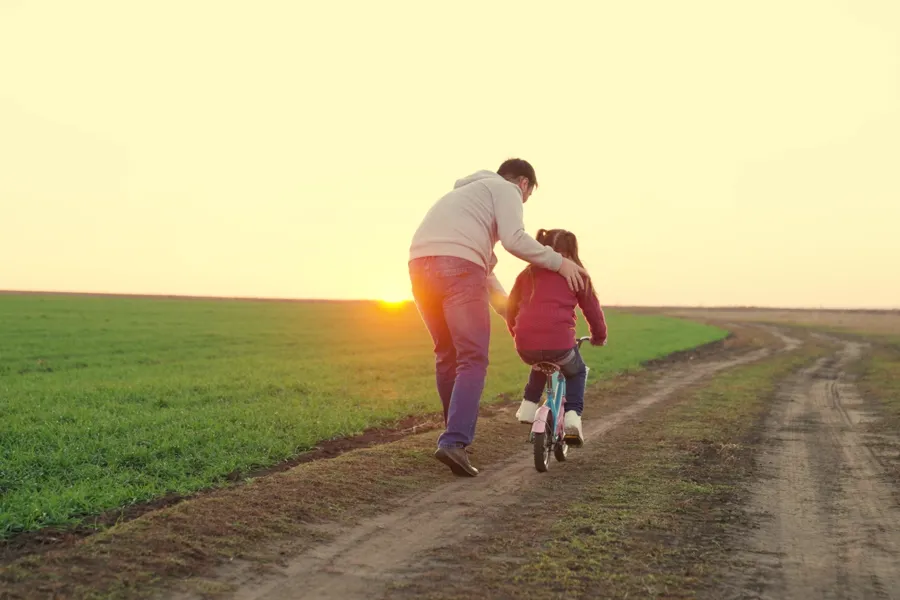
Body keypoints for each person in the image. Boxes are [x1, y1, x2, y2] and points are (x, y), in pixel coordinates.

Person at [408, 159, 589, 477]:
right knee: (472, 358)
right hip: (459, 267)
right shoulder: (505, 189)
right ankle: (454, 441)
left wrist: (506, 308)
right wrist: (560, 262)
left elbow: (485, 268)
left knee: (447, 355)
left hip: (419, 264)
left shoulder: (466, 198)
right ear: (524, 183)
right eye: (528, 195)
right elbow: (514, 239)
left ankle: (453, 439)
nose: (523, 201)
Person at [505, 228, 608, 446]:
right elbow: (592, 311)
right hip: (560, 344)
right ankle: (572, 417)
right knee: (577, 372)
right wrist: (598, 337)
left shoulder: (527, 274)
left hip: (526, 344)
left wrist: (517, 334)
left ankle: (528, 407)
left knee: (540, 362)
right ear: (572, 250)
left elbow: (510, 309)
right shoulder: (578, 274)